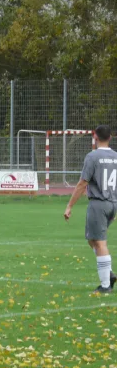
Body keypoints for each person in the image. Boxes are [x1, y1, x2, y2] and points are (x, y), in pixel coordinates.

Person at [64, 125, 117, 293]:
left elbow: (82, 183)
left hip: (98, 203)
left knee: (100, 243)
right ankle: (108, 272)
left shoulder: (92, 157)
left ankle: (105, 285)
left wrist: (70, 205)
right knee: (92, 239)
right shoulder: (116, 157)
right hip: (112, 203)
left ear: (95, 137)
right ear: (110, 137)